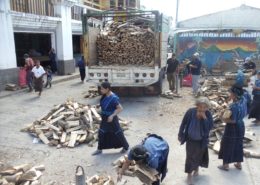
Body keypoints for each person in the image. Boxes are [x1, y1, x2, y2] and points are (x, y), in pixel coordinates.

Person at [178, 97, 213, 185]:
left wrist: (204, 118)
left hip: (201, 140)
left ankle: (196, 169)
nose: (202, 109)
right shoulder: (190, 112)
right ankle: (189, 175)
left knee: (199, 156)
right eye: (200, 107)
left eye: (204, 107)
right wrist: (180, 134)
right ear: (197, 105)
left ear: (207, 107)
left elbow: (209, 127)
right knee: (190, 157)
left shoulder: (208, 114)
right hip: (190, 139)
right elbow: (183, 123)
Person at [92, 82, 129, 155]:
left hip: (112, 118)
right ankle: (99, 149)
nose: (101, 90)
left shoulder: (113, 98)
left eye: (102, 89)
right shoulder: (105, 96)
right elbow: (105, 105)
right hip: (105, 118)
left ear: (107, 89)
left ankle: (126, 147)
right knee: (101, 132)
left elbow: (120, 108)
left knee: (118, 133)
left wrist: (112, 116)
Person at [218, 85, 247, 171]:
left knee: (227, 144)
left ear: (234, 94)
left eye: (230, 93)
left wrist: (222, 118)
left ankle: (226, 165)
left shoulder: (233, 106)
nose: (229, 94)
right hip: (241, 125)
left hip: (232, 128)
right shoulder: (243, 100)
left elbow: (233, 120)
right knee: (238, 144)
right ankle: (238, 164)